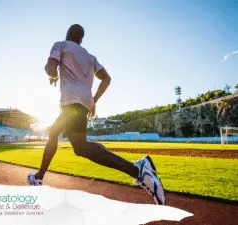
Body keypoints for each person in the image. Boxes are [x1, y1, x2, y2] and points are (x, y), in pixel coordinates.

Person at [27, 24, 165, 205]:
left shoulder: (60, 45)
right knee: (53, 133)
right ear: (81, 39)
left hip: (71, 100)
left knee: (81, 147)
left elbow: (50, 68)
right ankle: (39, 176)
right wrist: (93, 100)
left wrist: (53, 76)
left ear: (68, 35)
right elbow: (106, 78)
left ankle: (137, 170)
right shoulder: (91, 57)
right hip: (82, 102)